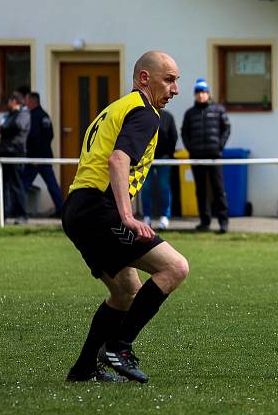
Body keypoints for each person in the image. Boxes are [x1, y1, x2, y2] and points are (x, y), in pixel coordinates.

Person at [62, 51, 190, 383]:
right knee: (175, 267)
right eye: (170, 79)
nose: (175, 90)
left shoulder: (114, 108)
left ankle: (84, 368)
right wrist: (127, 215)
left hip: (78, 208)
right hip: (100, 210)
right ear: (144, 78)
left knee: (125, 291)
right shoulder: (144, 112)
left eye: (177, 81)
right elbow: (118, 160)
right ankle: (119, 347)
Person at [181, 78, 230, 233]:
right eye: (198, 92)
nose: (201, 95)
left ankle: (223, 222)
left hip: (214, 156)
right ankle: (205, 221)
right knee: (200, 191)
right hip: (196, 157)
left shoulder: (218, 110)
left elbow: (226, 128)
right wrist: (191, 149)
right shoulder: (190, 113)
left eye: (203, 92)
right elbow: (184, 132)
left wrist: (219, 146)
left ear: (208, 94)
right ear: (195, 95)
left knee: (218, 189)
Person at [22, 91, 65, 217]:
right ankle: (61, 209)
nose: (25, 103)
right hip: (44, 157)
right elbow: (50, 135)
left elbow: (35, 138)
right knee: (52, 184)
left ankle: (18, 211)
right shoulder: (44, 115)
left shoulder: (34, 116)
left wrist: (35, 156)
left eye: (27, 100)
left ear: (32, 101)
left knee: (23, 184)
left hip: (36, 158)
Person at [0, 92, 31, 223]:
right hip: (3, 155)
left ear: (14, 101)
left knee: (16, 185)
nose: (7, 104)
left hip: (15, 155)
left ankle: (22, 215)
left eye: (9, 101)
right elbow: (1, 131)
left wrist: (1, 130)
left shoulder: (23, 115)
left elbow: (17, 127)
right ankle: (2, 214)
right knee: (3, 186)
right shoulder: (8, 116)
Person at [141, 110, 178, 229]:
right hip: (146, 158)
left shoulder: (168, 116)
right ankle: (147, 216)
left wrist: (168, 154)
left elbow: (174, 137)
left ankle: (165, 217)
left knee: (164, 187)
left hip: (163, 159)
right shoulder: (143, 114)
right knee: (145, 187)